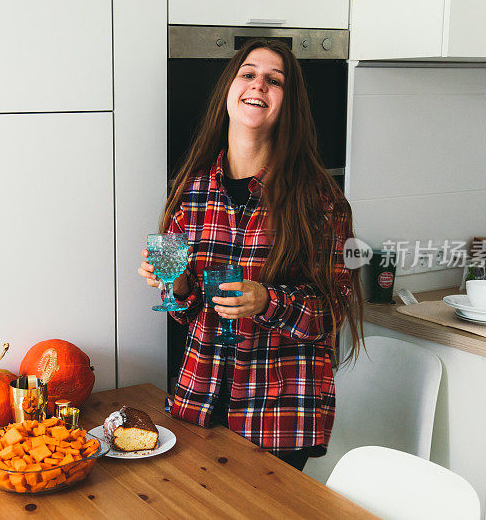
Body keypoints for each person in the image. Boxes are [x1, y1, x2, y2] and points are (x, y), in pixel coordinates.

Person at [138, 39, 364, 471]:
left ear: (288, 103)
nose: (258, 84)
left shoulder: (319, 200)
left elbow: (332, 314)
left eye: (274, 80)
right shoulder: (192, 189)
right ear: (229, 90)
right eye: (248, 73)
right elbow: (183, 312)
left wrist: (267, 300)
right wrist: (175, 282)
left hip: (277, 417)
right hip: (200, 400)